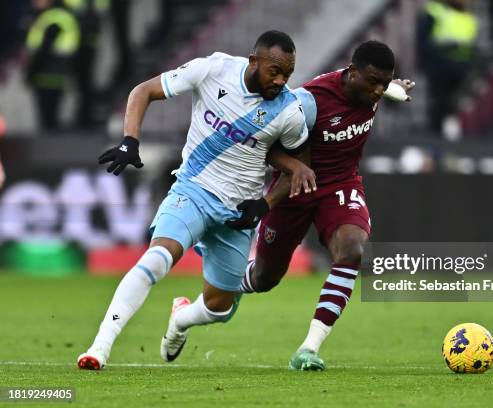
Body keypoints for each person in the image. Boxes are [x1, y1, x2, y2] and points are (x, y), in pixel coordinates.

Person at [77, 30, 315, 370]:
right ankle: (99, 347)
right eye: (274, 71)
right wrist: (130, 140)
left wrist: (264, 204)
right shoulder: (213, 69)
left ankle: (180, 320)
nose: (280, 80)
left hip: (238, 213)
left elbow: (297, 168)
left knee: (220, 308)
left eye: (287, 74)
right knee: (157, 258)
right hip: (193, 191)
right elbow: (142, 91)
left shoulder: (288, 111)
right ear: (253, 61)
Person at [235, 41, 414, 370]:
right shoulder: (309, 101)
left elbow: (383, 87)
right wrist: (292, 170)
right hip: (295, 187)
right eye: (372, 81)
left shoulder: (376, 88)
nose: (377, 91)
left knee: (353, 250)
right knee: (265, 278)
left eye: (383, 83)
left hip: (341, 185)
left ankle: (309, 348)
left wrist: (393, 87)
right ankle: (218, 290)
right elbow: (266, 143)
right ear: (351, 72)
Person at [417, 0, 478, 132]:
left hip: (460, 70)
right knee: (439, 103)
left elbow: (469, 46)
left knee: (454, 104)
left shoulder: (468, 18)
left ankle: (450, 132)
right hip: (440, 68)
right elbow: (423, 40)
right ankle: (436, 133)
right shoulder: (436, 12)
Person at [25, 0, 81, 130]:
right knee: (51, 121)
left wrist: (31, 72)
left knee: (47, 121)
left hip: (46, 75)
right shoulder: (60, 15)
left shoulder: (53, 17)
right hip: (57, 76)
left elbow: (44, 49)